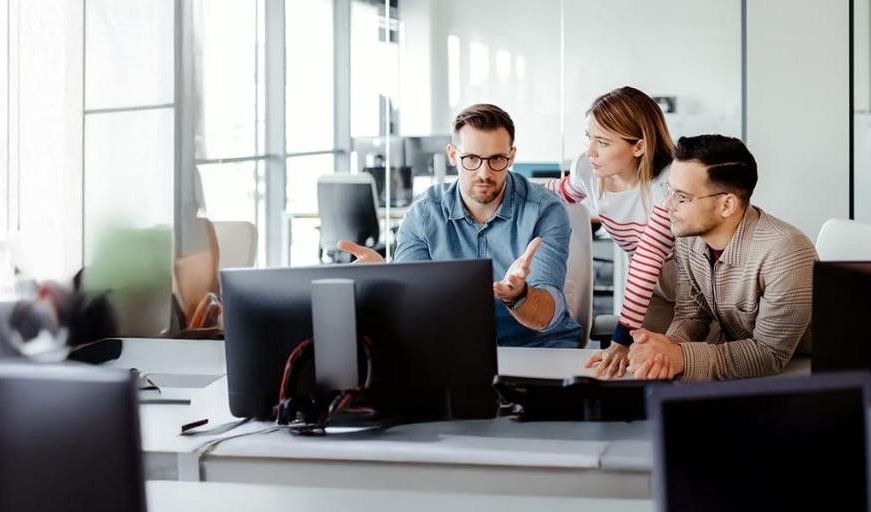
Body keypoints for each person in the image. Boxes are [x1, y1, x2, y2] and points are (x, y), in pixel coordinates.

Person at [339, 104, 582, 347]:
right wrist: (387, 279)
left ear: (511, 156)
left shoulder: (545, 210)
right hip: (452, 347)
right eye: (471, 159)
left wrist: (518, 296)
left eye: (497, 158)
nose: (484, 173)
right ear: (453, 155)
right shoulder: (423, 216)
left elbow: (544, 318)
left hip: (537, 346)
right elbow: (413, 309)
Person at [624, 134, 817, 381]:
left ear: (727, 205)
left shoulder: (786, 252)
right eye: (669, 192)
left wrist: (680, 356)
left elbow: (769, 353)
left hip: (805, 374)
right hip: (744, 372)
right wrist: (665, 350)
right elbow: (691, 314)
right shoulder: (689, 238)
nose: (668, 206)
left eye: (682, 197)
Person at [544, 86, 678, 378]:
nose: (590, 151)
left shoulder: (666, 184)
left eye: (602, 142)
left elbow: (648, 258)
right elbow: (559, 193)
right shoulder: (589, 171)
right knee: (643, 366)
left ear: (639, 146)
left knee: (679, 363)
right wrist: (506, 188)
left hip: (691, 286)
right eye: (589, 138)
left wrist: (621, 337)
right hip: (653, 291)